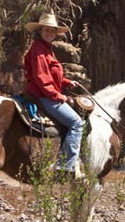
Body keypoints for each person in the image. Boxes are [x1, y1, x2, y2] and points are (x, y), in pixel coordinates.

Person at [24, 12, 84, 177]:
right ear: (40, 30)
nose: (50, 33)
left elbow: (51, 74)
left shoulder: (47, 49)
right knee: (77, 123)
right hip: (43, 95)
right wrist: (58, 96)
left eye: (52, 31)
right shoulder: (38, 49)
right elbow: (41, 77)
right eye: (47, 30)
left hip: (46, 92)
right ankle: (65, 167)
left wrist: (66, 82)